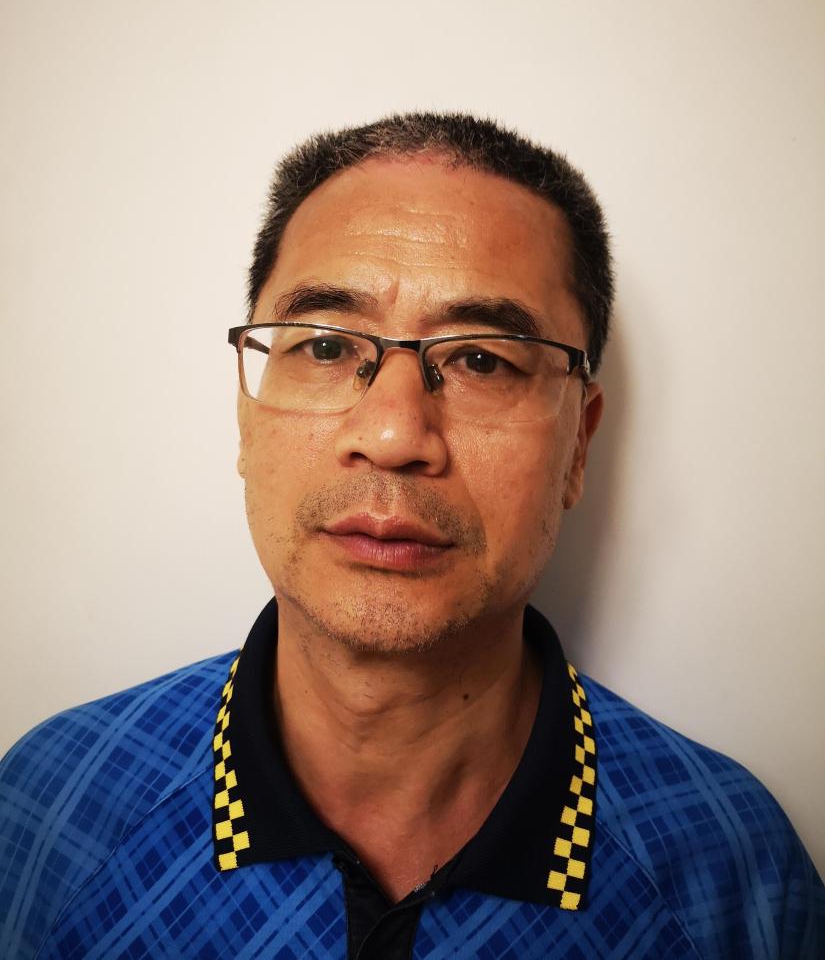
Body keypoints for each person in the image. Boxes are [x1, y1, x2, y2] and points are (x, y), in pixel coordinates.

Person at [0, 113, 821, 960]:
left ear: (578, 444)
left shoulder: (736, 876)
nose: (392, 435)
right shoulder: (52, 809)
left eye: (482, 360)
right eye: (325, 346)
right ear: (247, 416)